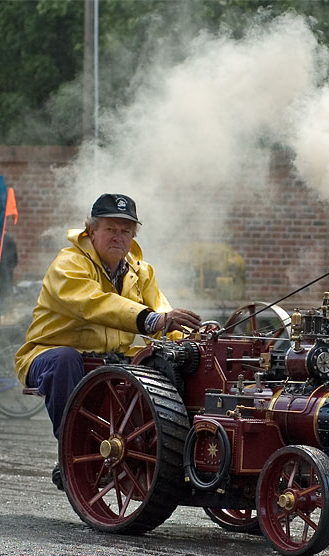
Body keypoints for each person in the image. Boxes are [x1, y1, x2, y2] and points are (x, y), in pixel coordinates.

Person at [14, 193, 201, 489]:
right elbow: (94, 303)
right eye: (111, 229)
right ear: (91, 231)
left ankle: (157, 451)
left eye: (126, 231)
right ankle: (72, 454)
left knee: (162, 363)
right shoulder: (68, 264)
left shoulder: (141, 271)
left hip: (112, 358)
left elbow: (163, 312)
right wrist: (150, 320)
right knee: (65, 359)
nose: (119, 237)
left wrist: (191, 342)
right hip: (49, 354)